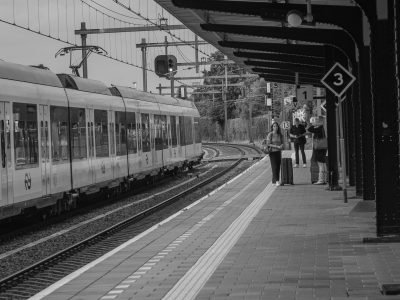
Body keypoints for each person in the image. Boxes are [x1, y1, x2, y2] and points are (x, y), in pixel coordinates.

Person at [308, 116, 328, 185]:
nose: (313, 122)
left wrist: (313, 124)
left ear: (319, 122)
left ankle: (321, 179)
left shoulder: (319, 128)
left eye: (315, 121)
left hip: (319, 148)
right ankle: (324, 179)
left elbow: (309, 129)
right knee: (323, 163)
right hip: (323, 147)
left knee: (320, 164)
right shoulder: (321, 128)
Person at [266, 121, 284, 186]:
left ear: (278, 127)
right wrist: (276, 146)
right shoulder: (270, 134)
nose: (275, 127)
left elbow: (282, 142)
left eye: (276, 126)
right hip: (272, 152)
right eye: (274, 126)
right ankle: (276, 181)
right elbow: (268, 144)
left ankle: (274, 180)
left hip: (278, 152)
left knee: (278, 166)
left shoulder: (280, 135)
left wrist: (282, 145)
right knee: (274, 167)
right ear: (272, 127)